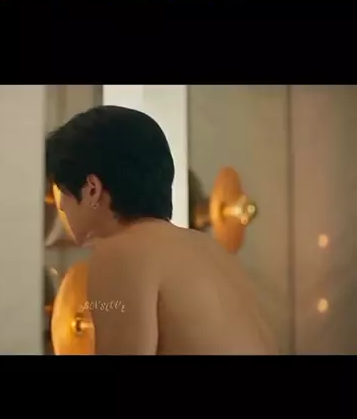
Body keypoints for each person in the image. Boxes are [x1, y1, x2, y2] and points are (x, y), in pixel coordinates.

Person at [46, 106, 278, 355]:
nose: (61, 206)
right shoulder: (211, 250)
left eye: (62, 192)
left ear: (92, 189)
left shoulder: (121, 252)